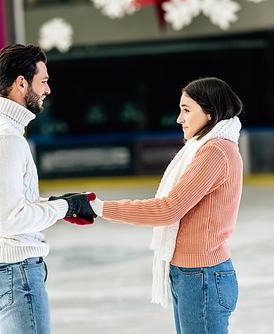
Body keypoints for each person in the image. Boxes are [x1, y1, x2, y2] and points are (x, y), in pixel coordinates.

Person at [53, 77, 243, 333]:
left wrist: (99, 207)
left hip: (202, 276)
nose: (179, 118)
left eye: (186, 110)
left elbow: (168, 209)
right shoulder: (205, 148)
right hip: (193, 274)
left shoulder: (215, 152)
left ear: (210, 113)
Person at [0, 44, 95, 334]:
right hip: (15, 270)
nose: (48, 89)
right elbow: (9, 220)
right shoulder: (6, 138)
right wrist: (66, 207)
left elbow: (13, 202)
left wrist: (57, 203)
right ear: (21, 83)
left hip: (2, 269)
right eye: (44, 81)